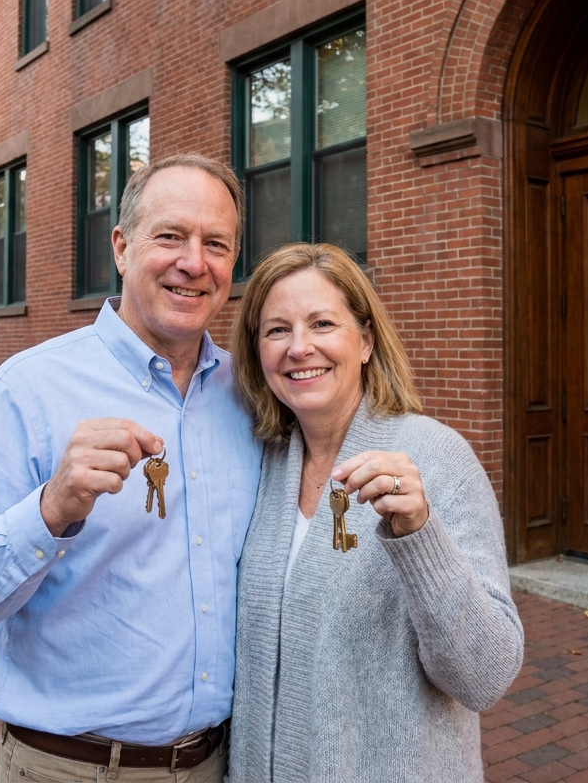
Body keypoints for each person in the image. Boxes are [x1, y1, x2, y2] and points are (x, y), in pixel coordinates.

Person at [0, 154, 262, 783]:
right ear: (122, 248)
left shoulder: (250, 396)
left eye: (216, 243)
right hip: (72, 768)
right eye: (170, 236)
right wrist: (50, 510)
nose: (194, 262)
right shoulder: (28, 390)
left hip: (218, 763)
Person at [227, 243, 524, 783]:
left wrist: (420, 534)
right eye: (277, 330)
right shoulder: (265, 464)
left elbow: (486, 676)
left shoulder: (438, 458)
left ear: (365, 340)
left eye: (322, 323)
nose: (299, 347)